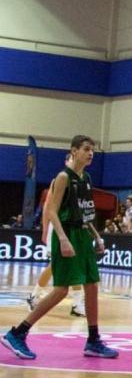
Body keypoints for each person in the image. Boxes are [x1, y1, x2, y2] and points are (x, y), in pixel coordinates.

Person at [3, 135, 118, 360]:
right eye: (86, 149)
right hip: (67, 233)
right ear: (74, 151)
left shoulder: (86, 178)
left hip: (83, 234)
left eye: (92, 150)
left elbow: (87, 213)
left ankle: (93, 340)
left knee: (92, 285)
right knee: (61, 290)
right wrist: (63, 239)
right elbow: (51, 211)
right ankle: (18, 332)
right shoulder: (63, 177)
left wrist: (97, 236)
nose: (90, 153)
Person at [26, 153, 86, 317]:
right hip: (59, 226)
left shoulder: (82, 181)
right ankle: (34, 295)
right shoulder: (60, 179)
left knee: (75, 265)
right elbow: (48, 207)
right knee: (55, 265)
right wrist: (46, 229)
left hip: (74, 227)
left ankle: (77, 304)